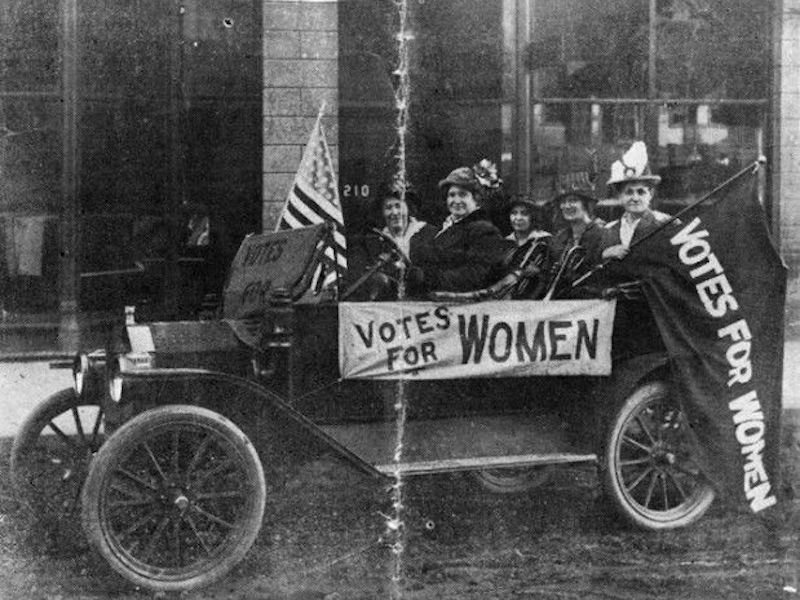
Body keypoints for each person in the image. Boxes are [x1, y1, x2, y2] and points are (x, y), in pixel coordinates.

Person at [407, 160, 514, 294]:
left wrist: (428, 277)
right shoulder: (440, 228)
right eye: (452, 195)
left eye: (463, 195)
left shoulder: (484, 230)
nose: (456, 201)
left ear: (476, 199)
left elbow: (475, 276)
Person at [601, 141, 673, 261]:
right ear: (620, 196)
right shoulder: (608, 230)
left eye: (641, 192)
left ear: (651, 194)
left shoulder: (666, 223)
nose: (635, 198)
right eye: (629, 192)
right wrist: (605, 254)